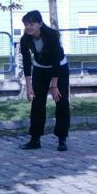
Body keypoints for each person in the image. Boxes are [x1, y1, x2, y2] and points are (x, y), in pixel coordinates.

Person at [19, 10, 70, 151]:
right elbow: (26, 62)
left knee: (61, 101)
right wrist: (28, 86)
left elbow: (55, 60)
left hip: (59, 68)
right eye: (26, 24)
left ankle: (62, 139)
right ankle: (35, 140)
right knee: (37, 103)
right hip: (40, 69)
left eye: (32, 24)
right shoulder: (25, 39)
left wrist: (54, 86)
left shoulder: (52, 35)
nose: (28, 27)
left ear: (40, 23)